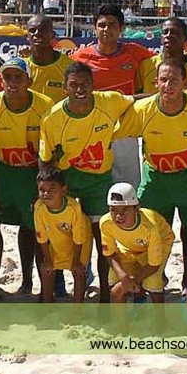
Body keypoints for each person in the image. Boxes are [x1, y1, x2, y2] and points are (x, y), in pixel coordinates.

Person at [116, 59, 187, 290]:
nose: (168, 85)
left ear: (185, 83)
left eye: (174, 80)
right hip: (156, 179)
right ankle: (149, 286)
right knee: (147, 237)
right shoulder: (142, 110)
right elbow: (111, 132)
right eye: (163, 80)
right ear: (156, 82)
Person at [39, 62, 134, 302]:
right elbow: (45, 161)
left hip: (98, 180)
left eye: (85, 84)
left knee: (102, 236)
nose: (80, 89)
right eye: (74, 85)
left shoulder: (109, 101)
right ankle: (54, 290)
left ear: (93, 85)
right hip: (66, 181)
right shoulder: (53, 118)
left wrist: (161, 96)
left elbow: (135, 100)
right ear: (65, 88)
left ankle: (104, 293)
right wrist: (48, 194)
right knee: (61, 235)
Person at [0, 57, 54, 301]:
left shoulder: (45, 106)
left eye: (18, 77)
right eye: (7, 77)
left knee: (33, 228)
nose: (12, 82)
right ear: (1, 81)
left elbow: (48, 153)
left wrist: (42, 189)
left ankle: (33, 285)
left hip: (33, 173)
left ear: (29, 81)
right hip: (3, 171)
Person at [71, 4, 153, 188]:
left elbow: (167, 58)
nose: (106, 29)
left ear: (121, 28)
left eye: (112, 25)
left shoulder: (135, 52)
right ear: (94, 28)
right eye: (102, 25)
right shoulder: (79, 57)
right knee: (94, 188)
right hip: (91, 130)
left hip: (125, 131)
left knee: (128, 189)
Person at [100, 182, 175, 304]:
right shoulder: (105, 223)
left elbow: (153, 265)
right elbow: (109, 254)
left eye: (125, 210)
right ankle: (121, 322)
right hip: (130, 245)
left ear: (136, 208)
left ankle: (160, 319)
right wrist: (124, 278)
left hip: (161, 241)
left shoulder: (150, 227)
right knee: (114, 282)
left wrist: (133, 280)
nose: (119, 215)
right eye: (113, 210)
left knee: (152, 282)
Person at [33, 167, 93, 303]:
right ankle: (47, 305)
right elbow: (41, 237)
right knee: (47, 269)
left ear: (63, 190)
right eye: (42, 190)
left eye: (52, 189)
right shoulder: (39, 208)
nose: (46, 194)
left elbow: (79, 237)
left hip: (80, 242)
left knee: (78, 271)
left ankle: (78, 309)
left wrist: (76, 261)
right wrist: (47, 260)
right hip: (57, 241)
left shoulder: (73, 208)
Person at [136, 16, 187, 99]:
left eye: (175, 32)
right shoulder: (147, 66)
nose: (169, 35)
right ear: (161, 38)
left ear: (185, 38)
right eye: (165, 32)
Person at [23, 14, 74, 104]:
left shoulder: (69, 67)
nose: (37, 33)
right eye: (32, 30)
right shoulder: (22, 68)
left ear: (52, 35)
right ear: (27, 36)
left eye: (42, 29)